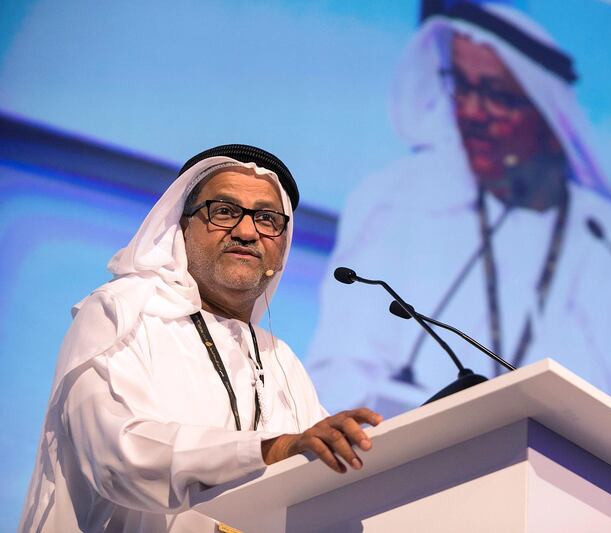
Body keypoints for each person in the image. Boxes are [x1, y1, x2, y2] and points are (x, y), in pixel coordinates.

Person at [306, 3, 611, 475]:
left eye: (496, 95)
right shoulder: (397, 201)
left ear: (548, 113)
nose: (471, 111)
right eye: (461, 85)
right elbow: (338, 379)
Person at [20, 144, 382, 532]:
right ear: (181, 226)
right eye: (224, 211)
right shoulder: (121, 312)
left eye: (266, 219)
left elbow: (325, 479)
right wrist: (269, 450)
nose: (246, 232)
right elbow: (117, 457)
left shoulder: (280, 360)